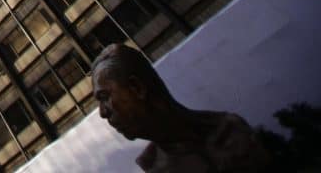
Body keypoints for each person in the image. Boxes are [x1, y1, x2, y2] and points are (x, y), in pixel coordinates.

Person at [91, 43, 271, 172]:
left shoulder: (230, 130)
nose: (102, 112)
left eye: (104, 97)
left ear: (136, 88)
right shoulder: (151, 165)